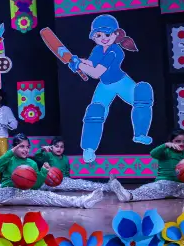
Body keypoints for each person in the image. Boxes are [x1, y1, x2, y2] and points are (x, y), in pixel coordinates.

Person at [65, 14, 154, 163]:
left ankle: (140, 134)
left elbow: (96, 72)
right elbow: (92, 63)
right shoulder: (97, 50)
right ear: (94, 37)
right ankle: (89, 148)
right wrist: (78, 61)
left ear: (115, 34)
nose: (104, 38)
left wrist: (79, 65)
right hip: (105, 86)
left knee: (143, 92)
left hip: (121, 82)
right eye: (99, 35)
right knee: (95, 110)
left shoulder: (115, 51)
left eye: (107, 34)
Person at [0, 134, 104, 210]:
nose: (25, 150)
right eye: (21, 147)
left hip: (26, 193)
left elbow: (36, 185)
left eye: (27, 147)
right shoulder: (9, 159)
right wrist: (11, 152)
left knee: (50, 197)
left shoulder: (31, 163)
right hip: (7, 192)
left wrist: (43, 172)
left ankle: (81, 202)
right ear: (14, 148)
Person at [33, 137, 108, 192]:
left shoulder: (65, 158)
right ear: (51, 147)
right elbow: (37, 156)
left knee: (81, 183)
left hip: (63, 181)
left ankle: (106, 187)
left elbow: (67, 171)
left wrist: (69, 181)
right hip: (51, 182)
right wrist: (42, 149)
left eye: (61, 147)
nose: (59, 149)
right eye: (57, 146)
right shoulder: (49, 155)